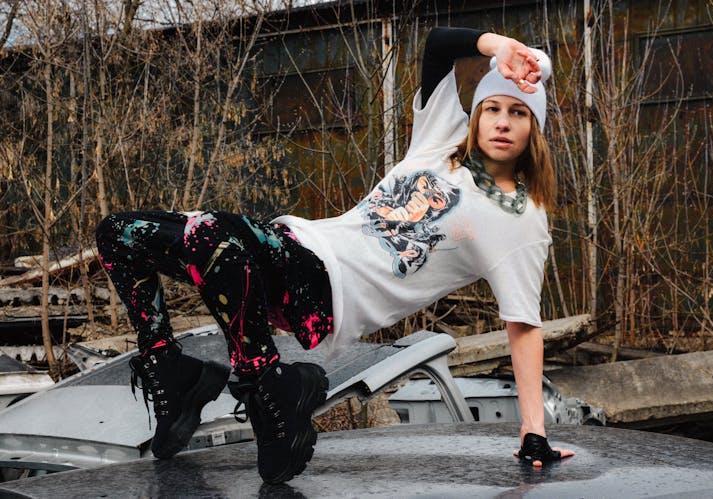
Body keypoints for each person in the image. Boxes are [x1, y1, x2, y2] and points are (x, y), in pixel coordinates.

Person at [95, 26, 573, 484]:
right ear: (477, 114)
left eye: (520, 113)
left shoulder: (520, 221)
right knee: (118, 233)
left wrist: (534, 433)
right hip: (294, 250)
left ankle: (269, 386)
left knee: (210, 236)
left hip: (327, 294)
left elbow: (523, 324)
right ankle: (173, 373)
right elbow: (436, 46)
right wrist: (499, 46)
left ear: (536, 128)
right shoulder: (440, 139)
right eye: (492, 108)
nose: (503, 122)